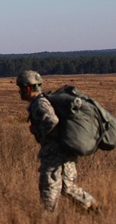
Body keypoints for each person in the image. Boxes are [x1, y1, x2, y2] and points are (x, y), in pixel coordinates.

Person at [16, 70, 100, 213]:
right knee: (67, 187)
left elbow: (52, 121)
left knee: (49, 189)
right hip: (64, 152)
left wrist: (38, 131)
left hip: (55, 155)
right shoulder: (43, 101)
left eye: (21, 89)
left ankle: (48, 222)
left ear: (28, 88)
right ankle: (94, 208)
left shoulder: (39, 104)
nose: (19, 92)